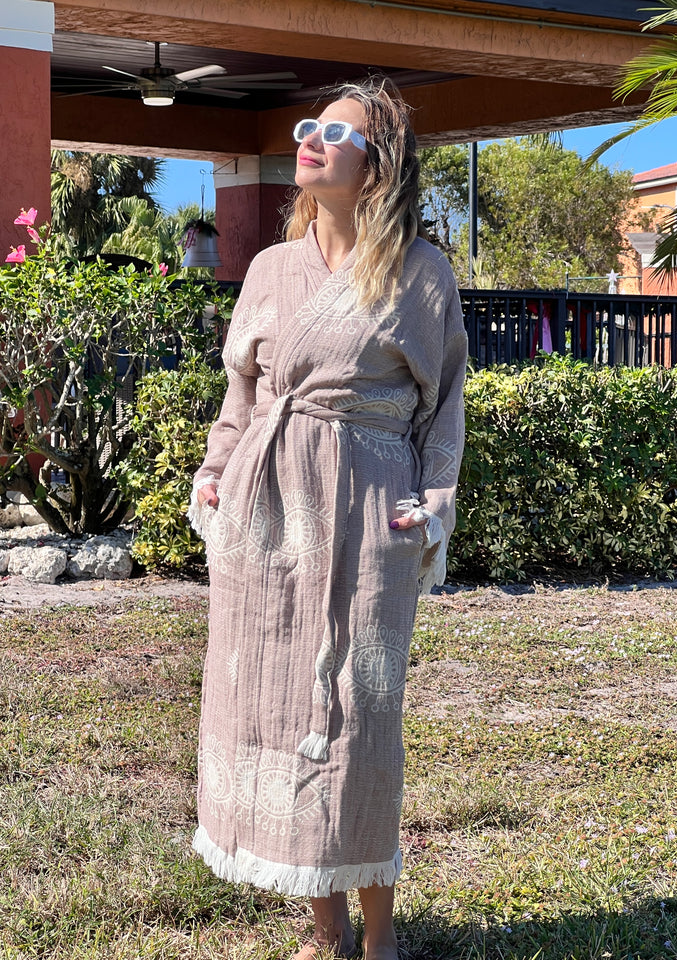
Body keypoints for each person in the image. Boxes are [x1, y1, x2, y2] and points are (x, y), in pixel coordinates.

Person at [188, 75, 467, 960]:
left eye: (333, 132)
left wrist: (433, 503)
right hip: (267, 516)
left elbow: (445, 405)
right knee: (270, 699)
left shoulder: (419, 273)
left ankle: (378, 935)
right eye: (307, 126)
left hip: (369, 507)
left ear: (376, 164)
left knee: (358, 706)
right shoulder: (271, 270)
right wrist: (215, 471)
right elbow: (242, 393)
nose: (308, 140)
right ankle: (324, 924)